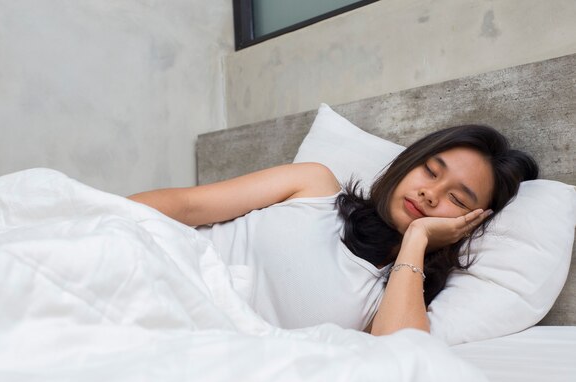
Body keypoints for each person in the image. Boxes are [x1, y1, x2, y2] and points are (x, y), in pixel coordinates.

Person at [128, 125, 538, 336]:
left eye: (458, 199)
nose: (430, 194)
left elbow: (401, 350)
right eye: (430, 171)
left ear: (472, 221)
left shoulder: (397, 296)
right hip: (146, 264)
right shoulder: (315, 185)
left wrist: (416, 241)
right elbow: (187, 206)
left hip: (187, 335)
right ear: (407, 163)